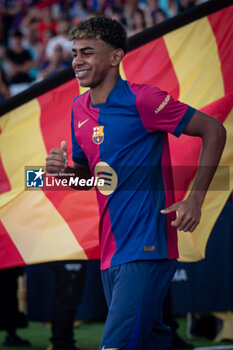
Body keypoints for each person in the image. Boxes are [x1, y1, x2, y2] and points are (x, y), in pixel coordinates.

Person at [46, 16, 226, 350]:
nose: (77, 61)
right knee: (152, 341)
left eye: (87, 52)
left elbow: (214, 130)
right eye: (74, 53)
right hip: (111, 254)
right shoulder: (78, 109)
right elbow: (88, 178)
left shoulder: (143, 100)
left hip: (146, 248)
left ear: (115, 57)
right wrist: (64, 173)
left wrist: (195, 199)